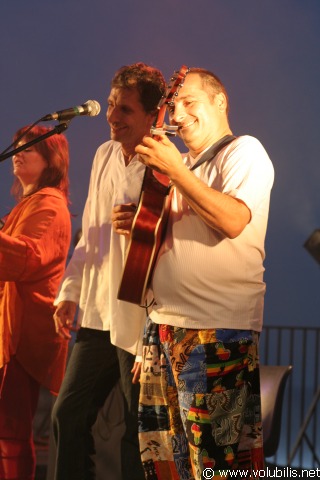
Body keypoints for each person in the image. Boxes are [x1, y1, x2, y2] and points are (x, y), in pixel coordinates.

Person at [133, 67, 274, 479]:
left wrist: (177, 171)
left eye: (189, 101)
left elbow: (232, 220)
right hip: (164, 327)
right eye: (174, 104)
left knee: (215, 464)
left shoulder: (244, 151)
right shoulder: (182, 168)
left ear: (220, 101)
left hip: (214, 330)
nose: (178, 112)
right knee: (165, 463)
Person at [51, 62, 166, 480]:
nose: (113, 116)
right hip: (99, 313)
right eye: (112, 105)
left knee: (138, 433)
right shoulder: (103, 154)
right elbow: (91, 236)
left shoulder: (168, 165)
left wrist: (153, 334)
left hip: (138, 321)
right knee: (68, 414)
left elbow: (172, 255)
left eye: (126, 110)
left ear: (154, 116)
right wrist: (69, 292)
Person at [0, 125, 71, 480]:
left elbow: (26, 259)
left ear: (50, 161)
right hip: (11, 329)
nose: (18, 154)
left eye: (29, 149)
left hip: (24, 333)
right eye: (17, 148)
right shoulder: (28, 204)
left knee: (10, 433)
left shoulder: (50, 204)